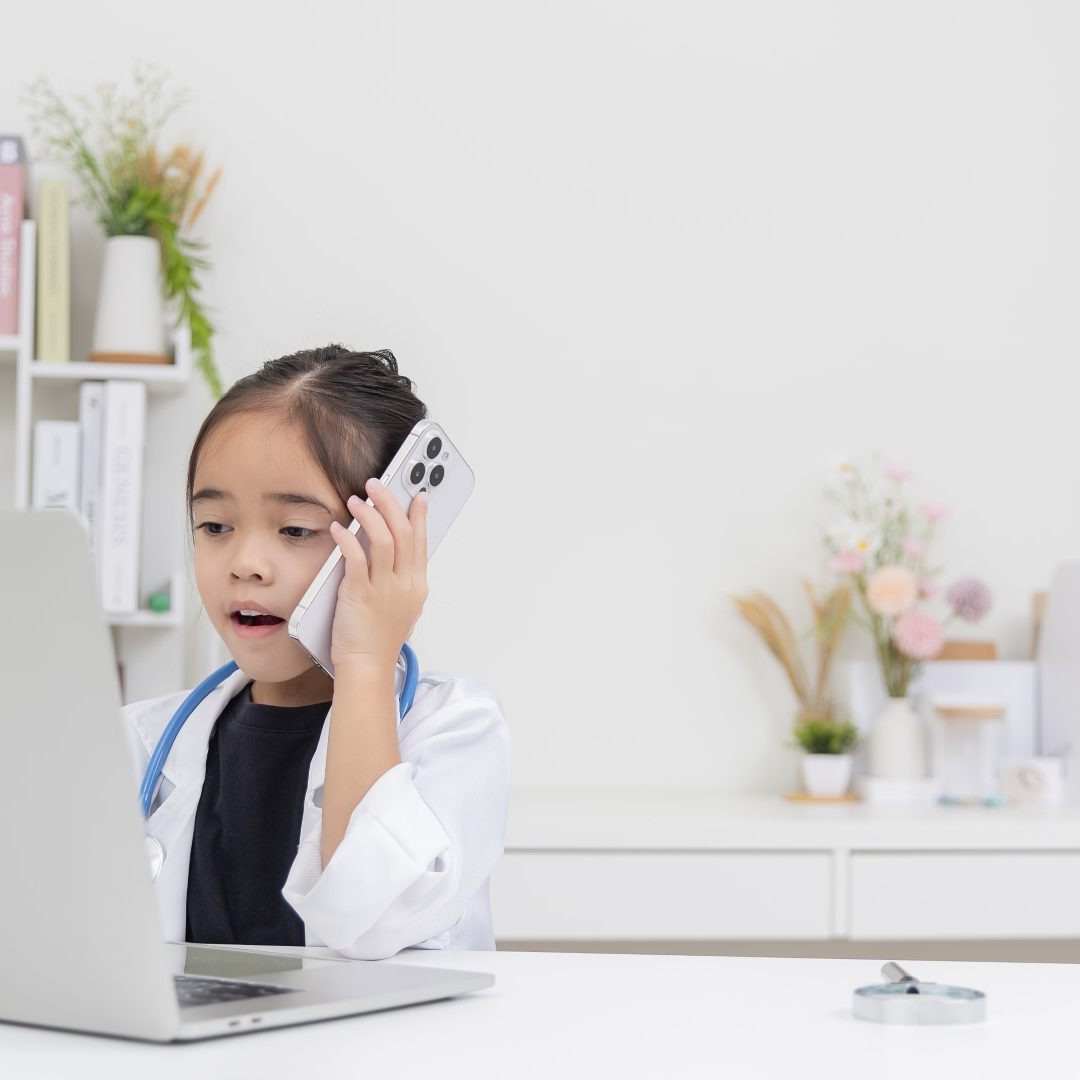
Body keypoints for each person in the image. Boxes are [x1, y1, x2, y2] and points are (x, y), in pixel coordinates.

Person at [120, 345, 510, 960]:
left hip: (374, 1058)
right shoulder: (143, 739)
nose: (244, 565)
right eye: (215, 526)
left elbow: (374, 921)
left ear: (391, 542)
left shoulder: (455, 731)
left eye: (295, 530)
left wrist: (365, 661)